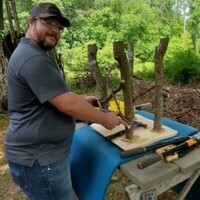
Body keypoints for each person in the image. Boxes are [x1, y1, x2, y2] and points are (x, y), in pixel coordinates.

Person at [5, 2, 128, 200]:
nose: (55, 30)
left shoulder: (31, 53)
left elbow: (51, 97)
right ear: (31, 22)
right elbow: (67, 105)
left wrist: (81, 99)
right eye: (49, 23)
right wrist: (105, 119)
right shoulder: (32, 58)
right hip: (40, 161)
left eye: (59, 27)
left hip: (38, 158)